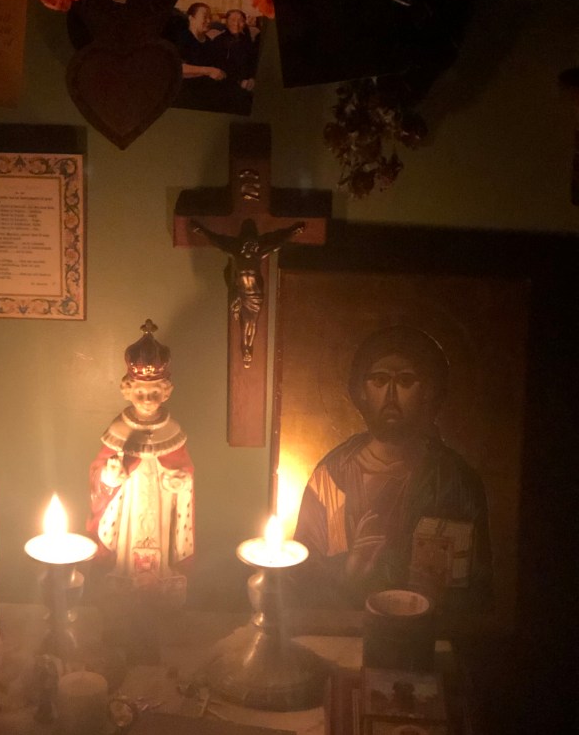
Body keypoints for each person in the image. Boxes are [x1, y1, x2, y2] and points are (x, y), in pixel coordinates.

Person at [293, 325, 491, 612]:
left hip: (430, 631)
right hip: (346, 628)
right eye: (379, 380)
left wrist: (441, 595)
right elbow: (303, 580)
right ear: (361, 391)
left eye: (405, 381)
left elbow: (481, 592)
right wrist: (350, 572)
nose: (390, 395)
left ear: (428, 392)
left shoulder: (455, 480)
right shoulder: (333, 476)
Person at [87, 320, 194, 604]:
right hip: (129, 510)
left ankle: (160, 587)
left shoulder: (173, 431)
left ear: (166, 391)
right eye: (141, 392)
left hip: (162, 508)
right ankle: (124, 586)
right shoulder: (118, 431)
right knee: (127, 553)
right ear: (128, 389)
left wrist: (181, 482)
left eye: (155, 393)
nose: (147, 399)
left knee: (160, 552)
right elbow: (98, 473)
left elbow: (185, 470)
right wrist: (110, 477)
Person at [190, 218, 305, 364]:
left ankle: (248, 347)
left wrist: (293, 232)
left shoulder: (259, 252)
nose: (250, 249)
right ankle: (246, 347)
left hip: (255, 295)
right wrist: (202, 230)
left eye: (252, 246)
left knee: (252, 322)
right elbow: (217, 241)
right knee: (245, 323)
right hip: (243, 293)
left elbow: (278, 242)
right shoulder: (236, 251)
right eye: (247, 245)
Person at [211, 9, 258, 92]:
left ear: (244, 23)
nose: (236, 24)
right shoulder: (219, 41)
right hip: (226, 84)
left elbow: (252, 61)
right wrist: (239, 82)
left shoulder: (246, 40)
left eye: (240, 21)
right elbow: (219, 67)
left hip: (248, 83)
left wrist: (252, 78)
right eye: (232, 20)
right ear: (226, 22)